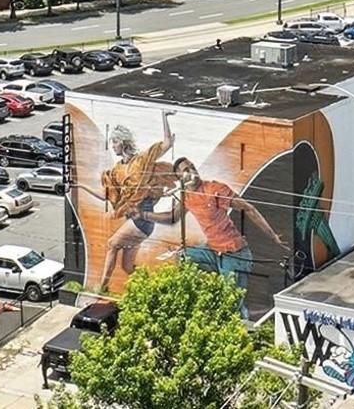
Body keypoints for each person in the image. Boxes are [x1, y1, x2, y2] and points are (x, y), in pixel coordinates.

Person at [168, 156, 286, 314]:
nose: (192, 171)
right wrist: (144, 214)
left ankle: (241, 330)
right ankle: (205, 294)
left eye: (192, 166)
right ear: (181, 179)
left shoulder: (215, 189)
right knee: (184, 256)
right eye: (186, 170)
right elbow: (172, 217)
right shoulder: (186, 196)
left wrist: (273, 236)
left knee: (232, 304)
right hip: (214, 252)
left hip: (234, 254)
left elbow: (249, 209)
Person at [76, 110, 176, 292]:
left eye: (114, 142)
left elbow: (168, 143)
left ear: (122, 142)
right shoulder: (116, 170)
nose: (112, 146)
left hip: (143, 219)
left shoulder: (141, 160)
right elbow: (107, 195)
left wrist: (165, 116)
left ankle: (102, 287)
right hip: (132, 220)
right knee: (127, 267)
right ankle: (151, 289)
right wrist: (81, 186)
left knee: (112, 244)